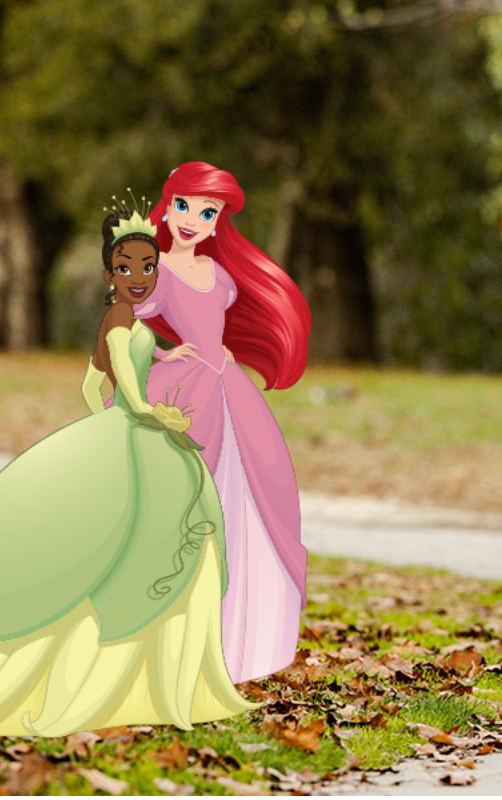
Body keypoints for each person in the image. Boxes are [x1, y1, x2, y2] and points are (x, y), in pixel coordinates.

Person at [0, 205, 256, 735]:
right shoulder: (119, 322)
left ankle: (142, 677)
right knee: (159, 532)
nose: (138, 276)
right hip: (137, 425)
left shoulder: (129, 321)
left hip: (128, 430)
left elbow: (95, 382)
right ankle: (123, 674)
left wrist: (165, 359)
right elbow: (127, 394)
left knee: (149, 531)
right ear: (108, 275)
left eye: (148, 267)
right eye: (125, 268)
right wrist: (145, 418)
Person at [133, 162, 311, 684]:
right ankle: (173, 628)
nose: (192, 219)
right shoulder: (158, 272)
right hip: (188, 389)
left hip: (228, 388)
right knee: (188, 492)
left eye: (206, 212)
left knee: (254, 490)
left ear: (217, 224)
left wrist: (224, 351)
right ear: (167, 208)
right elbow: (127, 327)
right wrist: (164, 355)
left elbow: (216, 320)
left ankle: (238, 635)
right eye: (183, 206)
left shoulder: (221, 276)